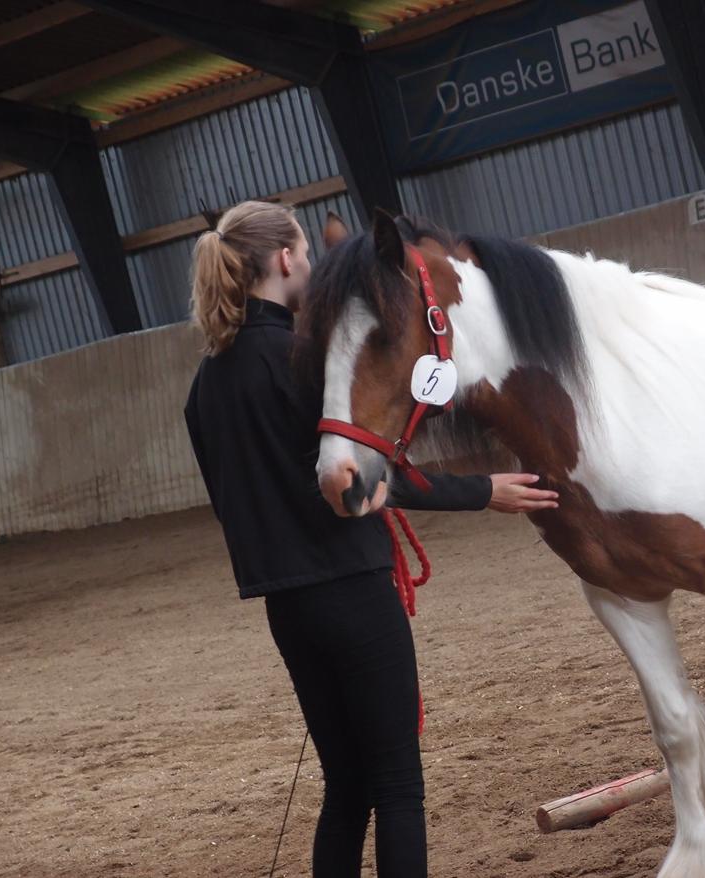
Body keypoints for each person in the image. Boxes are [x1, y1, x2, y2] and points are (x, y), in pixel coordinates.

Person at [182, 200, 557, 878]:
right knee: (397, 786)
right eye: (305, 249)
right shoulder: (303, 359)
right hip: (352, 592)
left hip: (286, 610)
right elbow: (365, 480)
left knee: (345, 787)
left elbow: (229, 506)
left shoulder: (204, 386)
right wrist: (482, 492)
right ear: (289, 260)